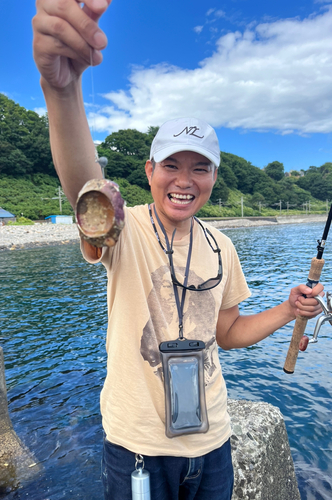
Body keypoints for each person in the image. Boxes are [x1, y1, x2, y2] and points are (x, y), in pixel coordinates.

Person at [32, 2, 324, 499]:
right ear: (149, 172)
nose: (184, 181)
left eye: (200, 168)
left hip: (212, 444)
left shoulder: (221, 245)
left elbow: (228, 333)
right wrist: (62, 89)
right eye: (172, 165)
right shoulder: (126, 230)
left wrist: (287, 309)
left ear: (213, 178)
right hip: (137, 449)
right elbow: (86, 190)